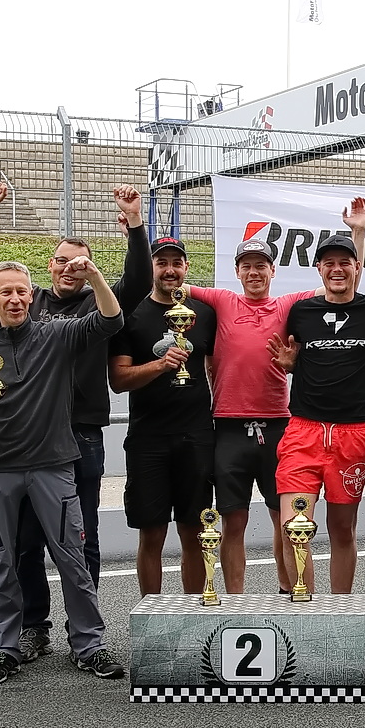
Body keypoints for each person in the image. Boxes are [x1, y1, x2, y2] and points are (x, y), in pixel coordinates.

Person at [0, 181, 150, 662]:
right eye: (62, 260)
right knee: (19, 546)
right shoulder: (23, 308)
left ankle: (85, 638)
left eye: (79, 263)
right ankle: (29, 630)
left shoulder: (83, 311)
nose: (70, 268)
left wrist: (133, 225)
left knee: (79, 541)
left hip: (74, 438)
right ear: (48, 266)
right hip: (10, 450)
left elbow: (132, 287)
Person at [0, 259, 126, 686]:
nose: (14, 299)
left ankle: (88, 644)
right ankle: (5, 648)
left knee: (72, 559)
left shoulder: (57, 335)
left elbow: (111, 319)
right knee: (2, 562)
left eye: (21, 291)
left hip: (53, 466)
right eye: (5, 292)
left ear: (31, 296)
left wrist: (95, 277)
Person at [185, 237, 313, 596]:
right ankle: (235, 599)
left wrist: (358, 237)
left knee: (283, 518)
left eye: (261, 266)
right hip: (228, 426)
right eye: (247, 266)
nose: (254, 272)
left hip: (277, 425)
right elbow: (172, 281)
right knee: (233, 520)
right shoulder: (223, 300)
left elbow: (339, 286)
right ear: (237, 272)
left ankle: (288, 588)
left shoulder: (286, 304)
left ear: (273, 271)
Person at [267, 200, 365, 596]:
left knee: (342, 531)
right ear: (318, 268)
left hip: (352, 434)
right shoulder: (302, 311)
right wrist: (291, 365)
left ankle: (341, 615)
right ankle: (306, 611)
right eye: (329, 263)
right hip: (303, 431)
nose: (337, 269)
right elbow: (293, 354)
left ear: (356, 267)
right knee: (294, 529)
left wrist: (358, 232)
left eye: (344, 262)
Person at [107, 236, 216, 598]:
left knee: (194, 530)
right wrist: (160, 364)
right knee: (152, 532)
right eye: (161, 262)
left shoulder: (204, 313)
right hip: (148, 439)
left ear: (186, 267)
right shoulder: (131, 314)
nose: (170, 270)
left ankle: (192, 613)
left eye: (176, 263)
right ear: (151, 267)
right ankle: (150, 616)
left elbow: (217, 367)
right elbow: (119, 380)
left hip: (196, 436)